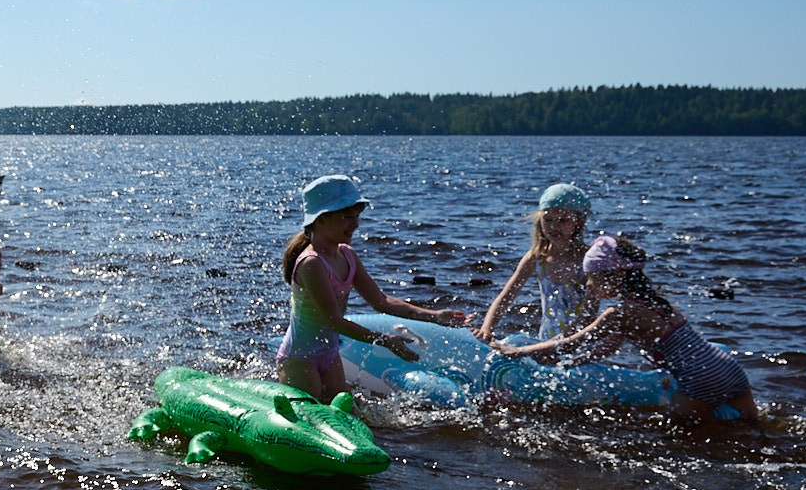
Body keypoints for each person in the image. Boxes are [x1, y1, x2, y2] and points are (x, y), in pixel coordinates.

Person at [495, 235, 758, 421]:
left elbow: (573, 340)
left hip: (700, 380)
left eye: (592, 278)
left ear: (617, 276)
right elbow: (611, 345)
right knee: (753, 432)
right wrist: (577, 363)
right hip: (728, 368)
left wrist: (517, 351)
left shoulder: (619, 312)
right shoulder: (653, 301)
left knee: (685, 439)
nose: (587, 285)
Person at [278, 174, 470, 402]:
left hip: (329, 355)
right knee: (312, 419)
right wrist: (385, 341)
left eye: (357, 216)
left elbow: (381, 301)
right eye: (347, 217)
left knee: (347, 413)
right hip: (300, 358)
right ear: (320, 219)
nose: (355, 224)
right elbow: (334, 321)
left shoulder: (347, 255)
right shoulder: (312, 263)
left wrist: (434, 316)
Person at [476, 182, 595, 343]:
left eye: (563, 220)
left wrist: (565, 340)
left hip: (580, 342)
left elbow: (590, 313)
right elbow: (506, 296)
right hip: (546, 339)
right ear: (540, 220)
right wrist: (487, 328)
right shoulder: (537, 256)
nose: (554, 226)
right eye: (548, 219)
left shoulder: (589, 260)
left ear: (578, 222)